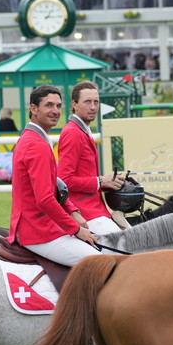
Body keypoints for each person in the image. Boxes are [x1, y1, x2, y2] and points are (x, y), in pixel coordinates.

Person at [8, 85, 98, 266]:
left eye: (58, 106)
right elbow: (45, 199)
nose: (55, 111)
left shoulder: (33, 138)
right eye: (49, 105)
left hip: (38, 225)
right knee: (100, 262)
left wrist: (72, 210)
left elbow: (55, 184)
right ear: (34, 109)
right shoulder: (37, 144)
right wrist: (76, 229)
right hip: (38, 229)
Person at [57, 81, 126, 235]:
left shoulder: (82, 130)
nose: (93, 107)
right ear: (74, 104)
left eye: (96, 102)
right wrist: (101, 181)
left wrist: (112, 182)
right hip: (85, 213)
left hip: (96, 209)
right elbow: (64, 180)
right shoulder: (73, 133)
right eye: (87, 102)